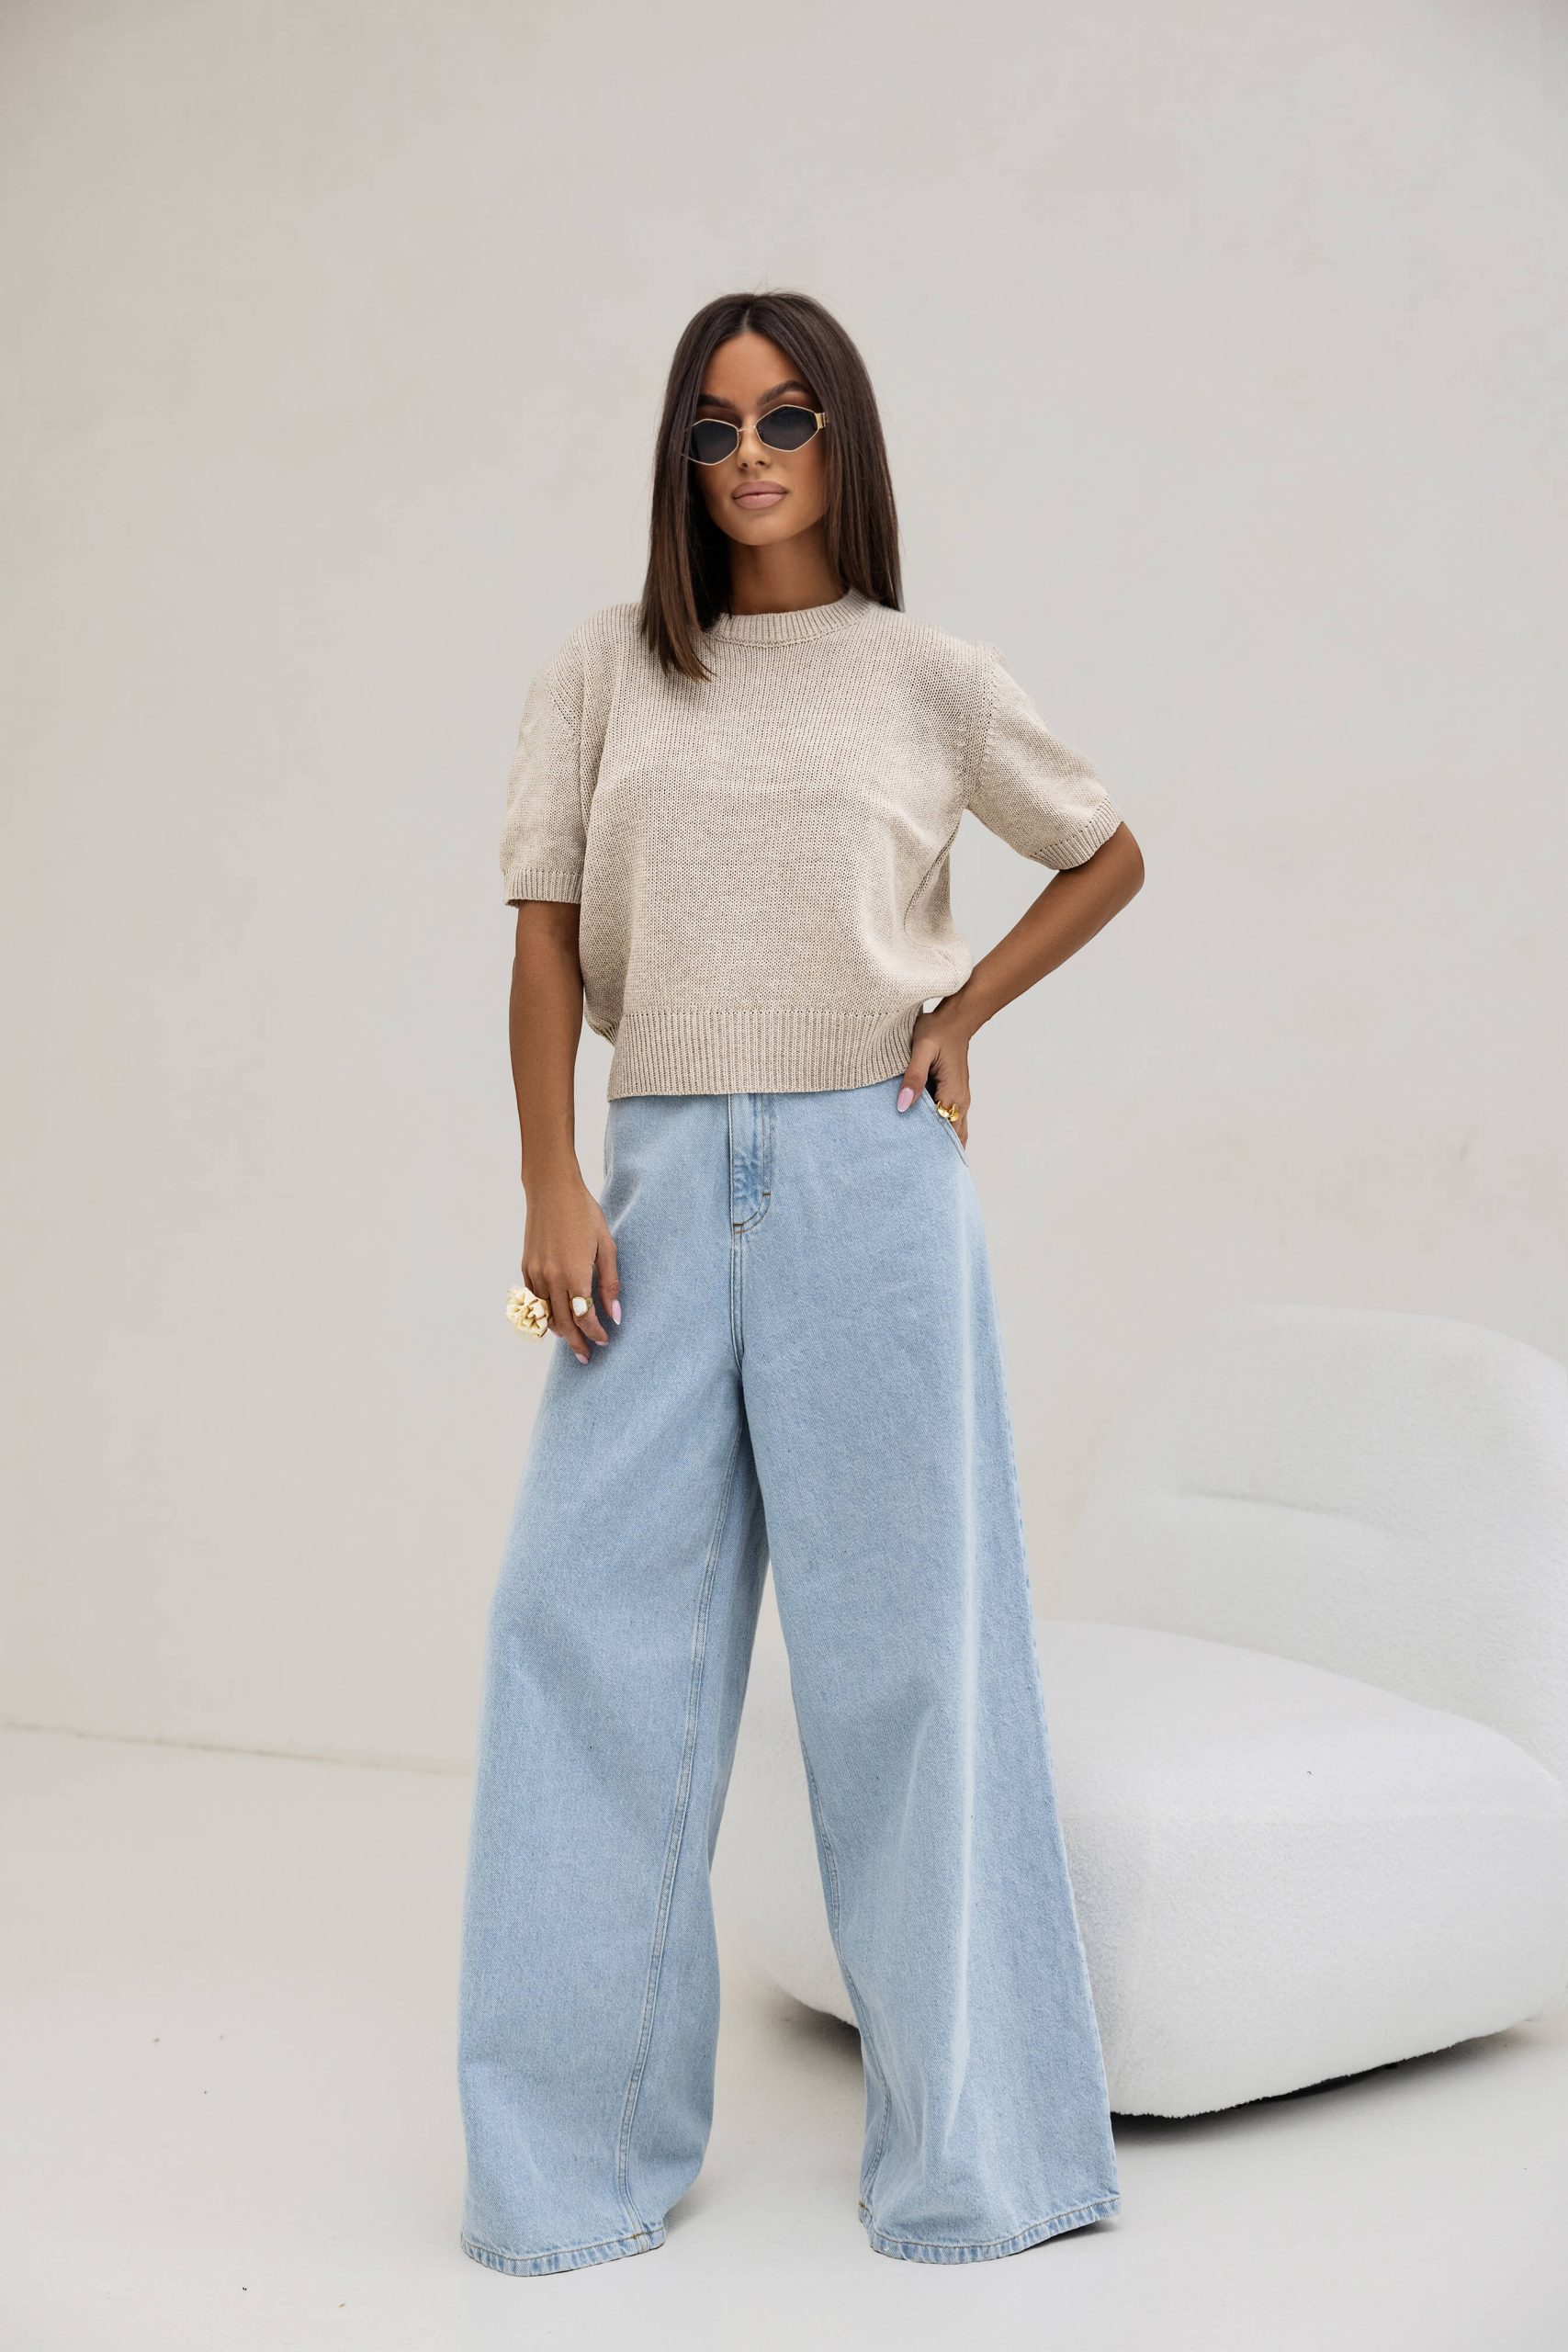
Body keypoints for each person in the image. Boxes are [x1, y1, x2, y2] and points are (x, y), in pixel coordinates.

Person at [457, 288, 1145, 2275]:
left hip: (869, 1177)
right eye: (712, 427)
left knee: (912, 1660)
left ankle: (975, 2168)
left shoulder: (926, 676)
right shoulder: (606, 668)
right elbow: (542, 938)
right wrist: (549, 1176)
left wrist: (961, 1013)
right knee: (574, 1636)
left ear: (842, 437)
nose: (747, 456)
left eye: (782, 419)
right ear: (679, 460)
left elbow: (1102, 851)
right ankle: (560, 2178)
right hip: (657, 1183)